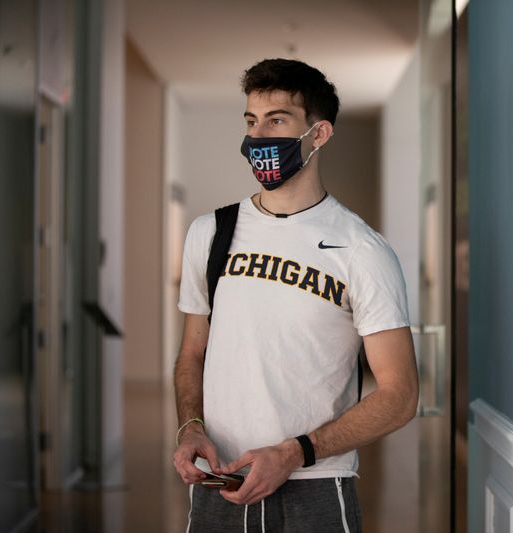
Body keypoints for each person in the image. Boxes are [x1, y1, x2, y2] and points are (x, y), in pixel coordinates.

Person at [172, 58, 419, 532]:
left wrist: (293, 453)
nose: (259, 136)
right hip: (219, 480)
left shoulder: (362, 250)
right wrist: (190, 427)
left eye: (277, 120)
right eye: (251, 121)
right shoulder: (210, 233)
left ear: (319, 134)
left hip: (317, 485)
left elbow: (400, 395)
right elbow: (192, 354)